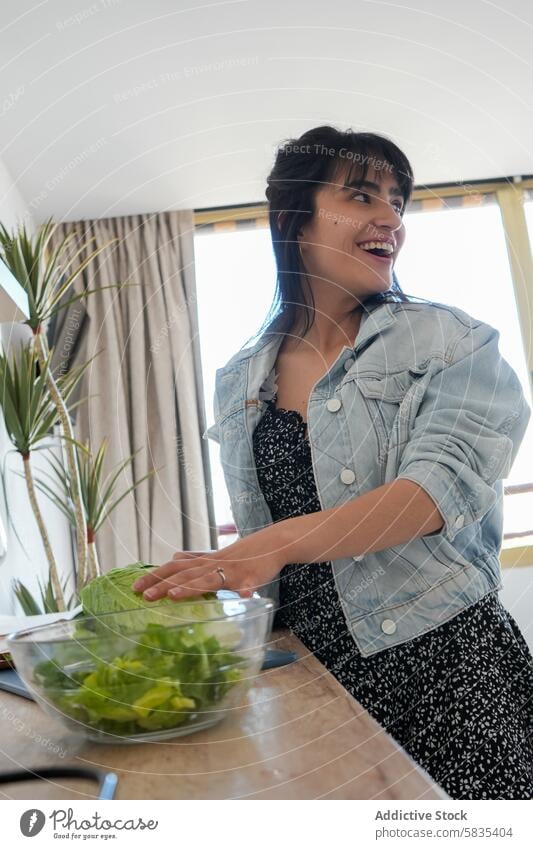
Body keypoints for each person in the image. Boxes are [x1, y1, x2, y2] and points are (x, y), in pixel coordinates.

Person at [132, 124, 533, 800]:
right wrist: (208, 579)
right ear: (292, 217)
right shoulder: (238, 381)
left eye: (397, 201)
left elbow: (432, 492)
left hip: (452, 673)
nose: (390, 218)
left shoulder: (452, 339)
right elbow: (274, 546)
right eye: (361, 195)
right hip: (314, 680)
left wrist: (266, 546)